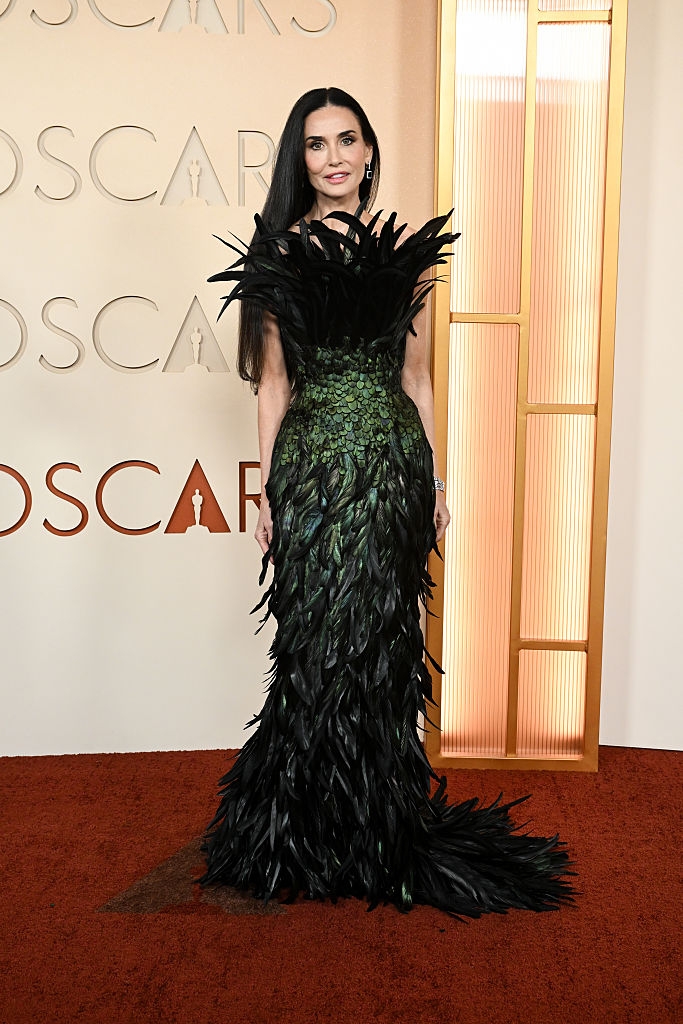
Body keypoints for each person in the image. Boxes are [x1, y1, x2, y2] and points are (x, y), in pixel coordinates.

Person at [200, 87, 575, 916]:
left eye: (347, 140)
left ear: (369, 150)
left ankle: (375, 826)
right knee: (314, 643)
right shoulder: (279, 254)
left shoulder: (407, 256)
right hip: (314, 472)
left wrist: (435, 481)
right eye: (315, 145)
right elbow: (272, 386)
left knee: (381, 642)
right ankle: (301, 827)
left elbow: (417, 377)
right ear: (298, 161)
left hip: (392, 469)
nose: (333, 157)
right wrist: (267, 492)